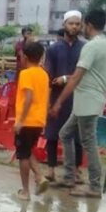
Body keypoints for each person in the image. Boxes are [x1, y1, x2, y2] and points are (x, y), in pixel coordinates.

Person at [49, 9, 106, 198]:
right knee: (65, 133)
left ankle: (94, 186)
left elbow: (77, 76)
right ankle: (69, 176)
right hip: (88, 100)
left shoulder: (91, 46)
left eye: (81, 24)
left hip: (88, 100)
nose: (79, 27)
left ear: (89, 25)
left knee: (89, 142)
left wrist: (58, 102)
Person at [43, 11, 85, 182]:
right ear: (64, 25)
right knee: (52, 133)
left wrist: (66, 78)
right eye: (71, 23)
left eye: (77, 24)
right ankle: (51, 169)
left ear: (81, 26)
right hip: (57, 96)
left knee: (77, 135)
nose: (74, 27)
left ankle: (76, 170)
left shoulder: (85, 48)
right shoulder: (53, 49)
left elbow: (84, 74)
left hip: (78, 96)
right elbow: (48, 75)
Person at [15, 41, 52, 200]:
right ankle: (39, 177)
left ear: (24, 56)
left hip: (27, 120)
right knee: (27, 150)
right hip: (38, 120)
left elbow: (29, 98)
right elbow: (47, 98)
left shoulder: (26, 74)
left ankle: (25, 191)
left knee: (23, 155)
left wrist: (20, 121)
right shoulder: (44, 74)